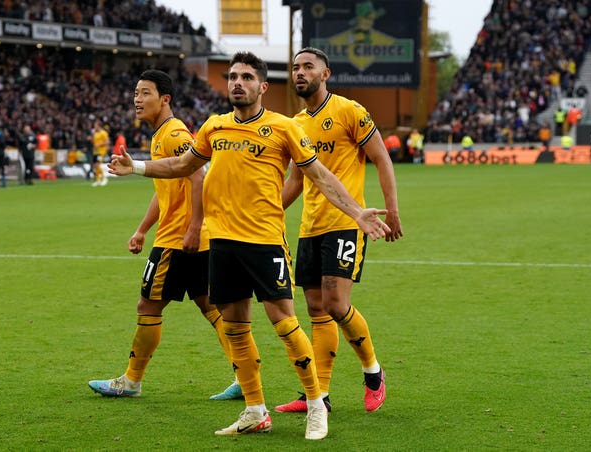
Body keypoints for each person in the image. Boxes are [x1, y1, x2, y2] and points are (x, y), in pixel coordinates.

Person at [109, 51, 391, 440]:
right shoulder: (214, 127)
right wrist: (137, 166)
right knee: (237, 328)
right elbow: (181, 167)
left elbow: (320, 176)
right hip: (222, 244)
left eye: (246, 77)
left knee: (285, 323)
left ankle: (315, 405)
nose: (237, 83)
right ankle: (255, 410)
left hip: (265, 243)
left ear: (263, 86)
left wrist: (357, 212)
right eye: (232, 77)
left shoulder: (283, 127)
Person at [88, 70, 240, 401]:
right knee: (210, 306)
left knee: (148, 305)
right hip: (191, 236)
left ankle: (131, 380)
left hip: (178, 239)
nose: (137, 100)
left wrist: (194, 225)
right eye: (135, 93)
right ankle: (244, 375)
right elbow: (168, 186)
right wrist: (142, 229)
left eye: (144, 93)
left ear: (164, 99)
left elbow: (198, 175)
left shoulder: (173, 133)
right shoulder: (161, 136)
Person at [275, 47, 403, 415]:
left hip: (347, 223)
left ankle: (373, 372)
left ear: (325, 73)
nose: (300, 73)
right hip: (310, 226)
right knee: (316, 309)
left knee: (335, 304)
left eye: (307, 67)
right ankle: (319, 396)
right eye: (296, 67)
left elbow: (382, 157)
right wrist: (268, 212)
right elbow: (296, 181)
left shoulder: (350, 111)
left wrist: (391, 210)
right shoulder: (296, 123)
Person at [91, 120, 110, 186]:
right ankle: (98, 180)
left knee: (97, 165)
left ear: (99, 126)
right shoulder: (95, 134)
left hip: (101, 151)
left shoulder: (103, 133)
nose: (94, 127)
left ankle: (104, 178)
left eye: (95, 125)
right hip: (95, 152)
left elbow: (107, 142)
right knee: (95, 166)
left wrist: (99, 144)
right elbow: (94, 143)